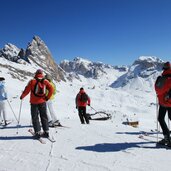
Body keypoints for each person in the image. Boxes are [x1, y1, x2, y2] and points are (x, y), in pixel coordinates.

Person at [20, 69, 53, 139]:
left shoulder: (32, 81)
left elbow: (27, 90)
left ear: (36, 74)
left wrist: (22, 96)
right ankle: (46, 132)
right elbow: (51, 89)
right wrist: (47, 97)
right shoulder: (45, 81)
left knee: (35, 117)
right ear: (42, 74)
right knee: (44, 116)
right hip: (43, 102)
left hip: (34, 102)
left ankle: (37, 132)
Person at [155, 61, 171, 147]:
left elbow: (157, 90)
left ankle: (167, 139)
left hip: (163, 103)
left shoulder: (161, 78)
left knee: (161, 119)